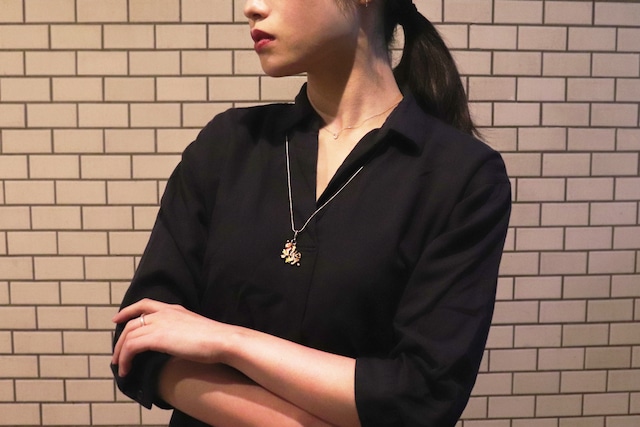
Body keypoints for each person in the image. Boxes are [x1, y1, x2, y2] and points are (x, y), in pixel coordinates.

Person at [111, 0, 511, 426]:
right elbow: (139, 340)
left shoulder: (462, 178)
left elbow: (421, 395)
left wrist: (229, 342)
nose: (251, 7)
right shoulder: (228, 145)